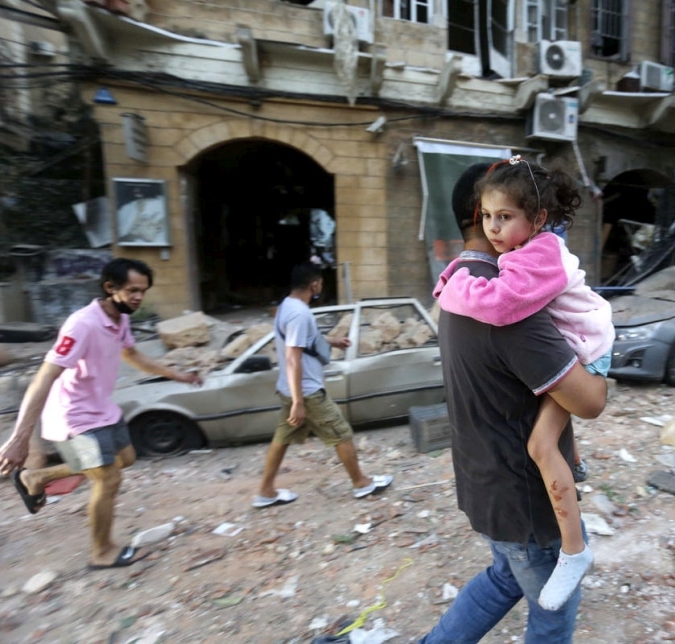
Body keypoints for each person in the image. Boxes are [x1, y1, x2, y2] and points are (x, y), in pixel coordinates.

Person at [419, 163, 607, 643]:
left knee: (504, 578)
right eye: (494, 213)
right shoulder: (506, 303)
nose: (502, 225)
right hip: (527, 503)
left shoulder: (463, 286)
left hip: (486, 488)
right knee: (552, 615)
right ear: (479, 214)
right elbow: (589, 401)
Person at [0, 258, 203, 569]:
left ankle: (37, 476)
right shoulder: (82, 324)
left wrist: (178, 375)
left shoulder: (121, 317)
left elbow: (133, 355)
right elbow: (43, 378)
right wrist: (18, 439)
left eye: (143, 291)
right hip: (74, 416)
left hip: (102, 408)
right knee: (108, 479)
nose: (138, 297)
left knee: (125, 458)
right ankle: (101, 552)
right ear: (109, 287)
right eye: (132, 290)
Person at [252, 262, 393, 508]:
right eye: (321, 284)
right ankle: (361, 483)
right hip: (306, 392)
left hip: (289, 388)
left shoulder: (287, 306)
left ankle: (265, 491)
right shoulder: (300, 313)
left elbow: (304, 340)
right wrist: (298, 402)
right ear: (315, 284)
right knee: (341, 433)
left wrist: (333, 341)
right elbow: (292, 357)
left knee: (282, 438)